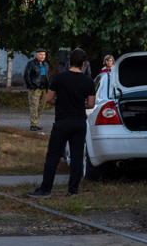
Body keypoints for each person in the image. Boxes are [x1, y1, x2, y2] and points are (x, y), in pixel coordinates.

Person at [28, 47, 96, 197]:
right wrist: (79, 104)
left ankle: (45, 189)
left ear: (69, 61)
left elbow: (49, 98)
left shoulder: (60, 78)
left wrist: (60, 103)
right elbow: (91, 104)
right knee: (77, 156)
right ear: (84, 64)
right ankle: (73, 190)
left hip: (62, 121)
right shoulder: (88, 82)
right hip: (79, 122)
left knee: (53, 155)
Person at [24, 48, 50, 132]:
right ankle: (34, 124)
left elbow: (46, 76)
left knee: (41, 107)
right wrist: (31, 86)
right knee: (34, 106)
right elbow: (26, 75)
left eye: (44, 55)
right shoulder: (31, 64)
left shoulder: (45, 64)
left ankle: (36, 122)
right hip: (35, 88)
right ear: (36, 55)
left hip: (44, 88)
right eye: (40, 54)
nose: (42, 56)